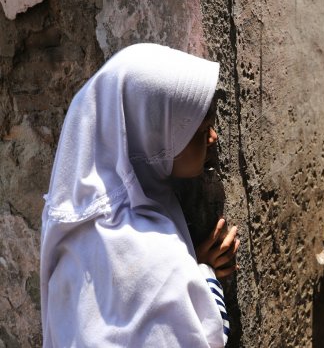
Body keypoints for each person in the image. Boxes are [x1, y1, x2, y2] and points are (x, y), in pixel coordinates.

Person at [40, 43, 239, 347]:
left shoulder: (76, 227)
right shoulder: (149, 254)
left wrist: (184, 272)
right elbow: (196, 337)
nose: (213, 138)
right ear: (153, 136)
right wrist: (201, 280)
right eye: (200, 131)